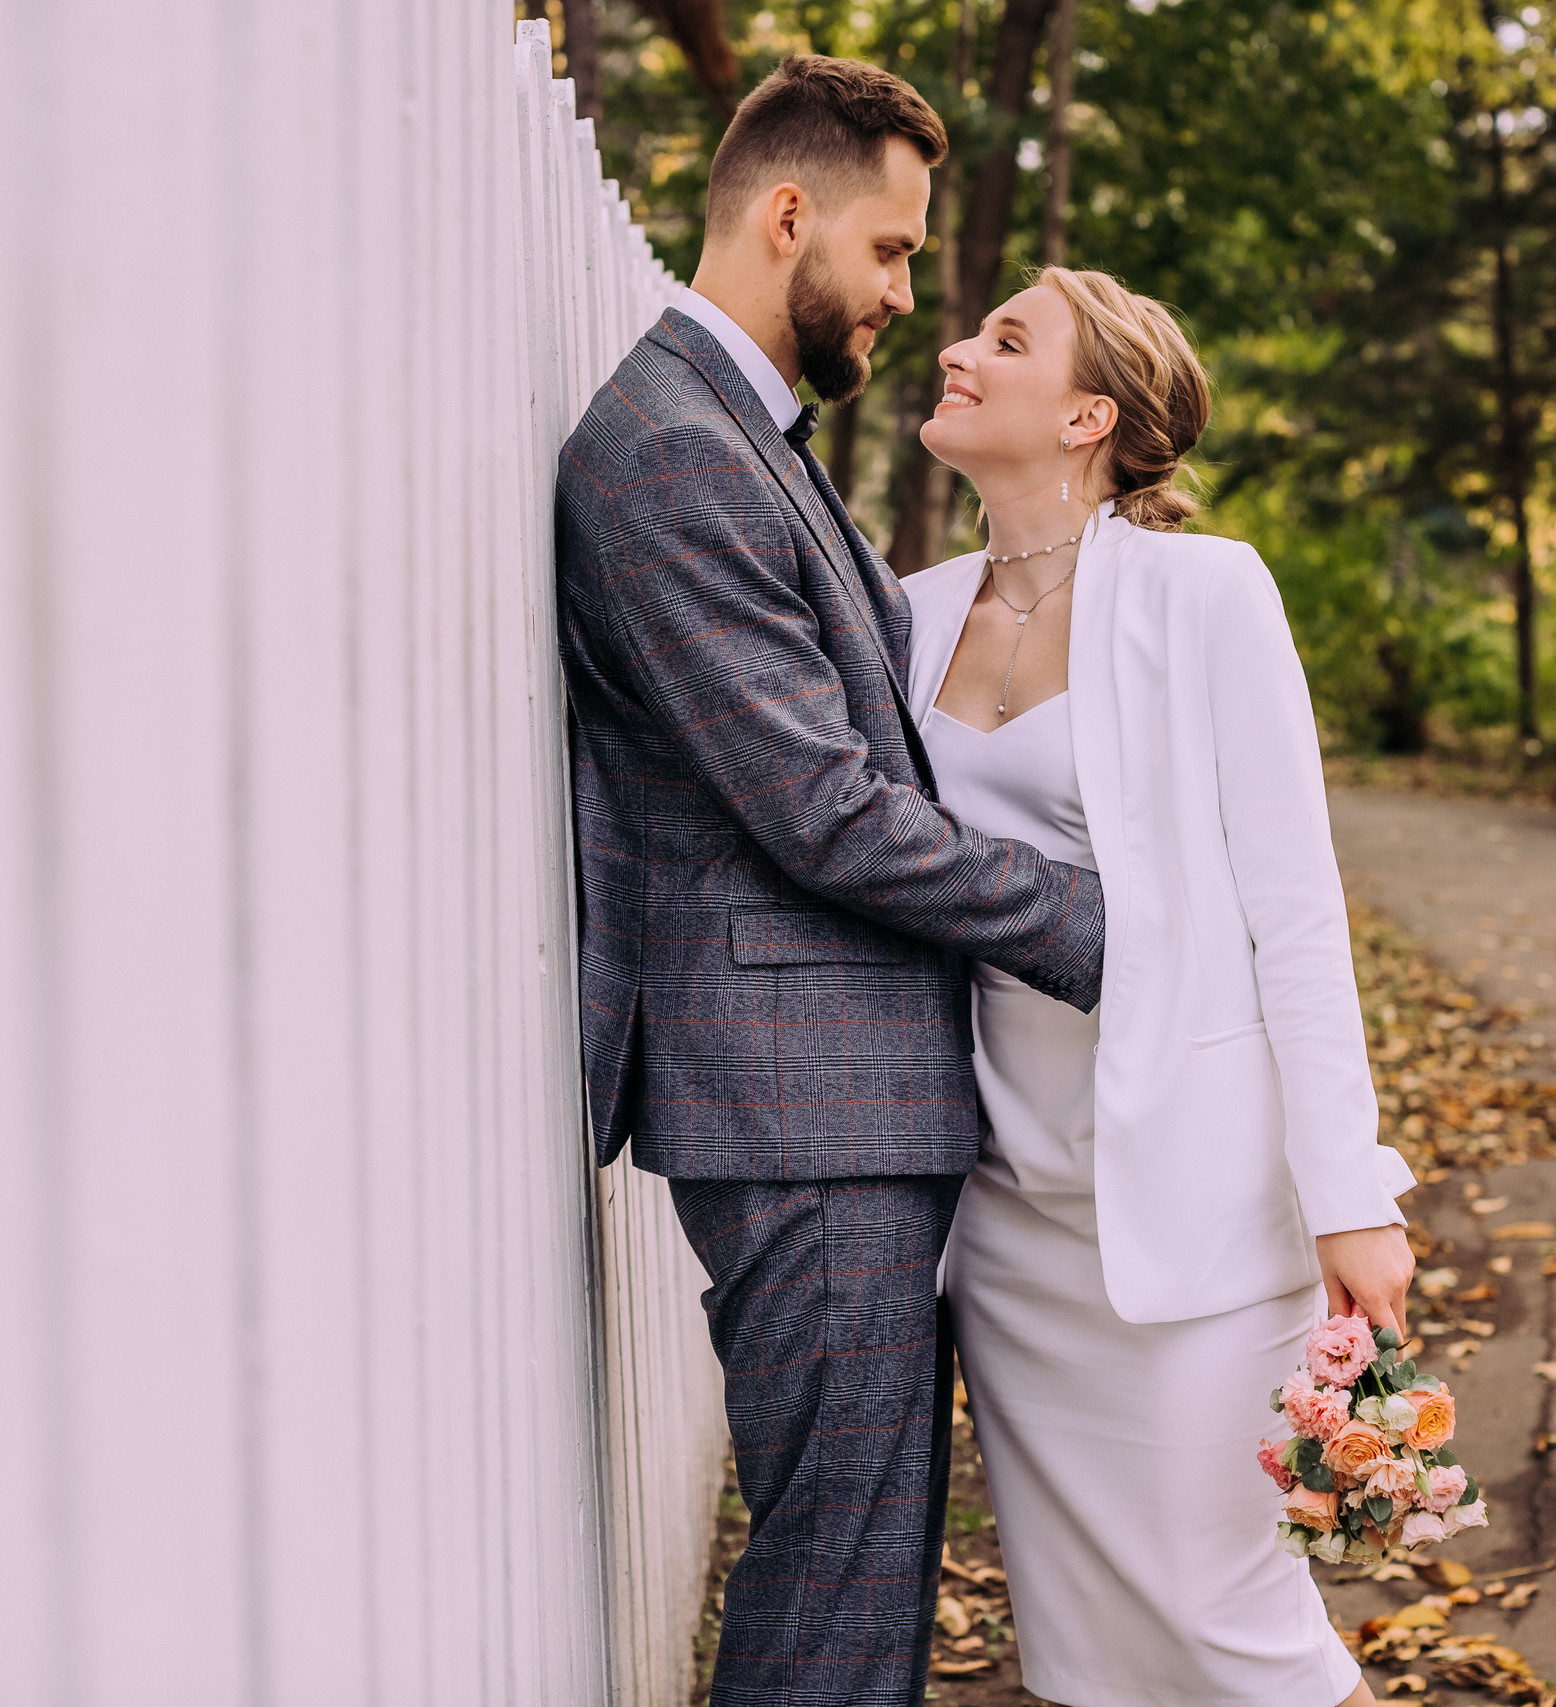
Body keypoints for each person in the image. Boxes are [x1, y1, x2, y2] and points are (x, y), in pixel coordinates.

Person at [554, 57, 1108, 1707]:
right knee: (837, 1581)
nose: (902, 297)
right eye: (888, 251)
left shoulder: (744, 435)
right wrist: (1094, 927)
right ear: (789, 216)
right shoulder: (665, 451)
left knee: (856, 1564)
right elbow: (826, 811)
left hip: (843, 1099)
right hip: (801, 1109)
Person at [905, 267, 1421, 1707]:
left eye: (1005, 340)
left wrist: (1350, 1190)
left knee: (1232, 1621)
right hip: (1010, 1221)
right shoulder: (906, 616)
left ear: (1090, 415)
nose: (954, 348)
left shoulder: (1206, 593)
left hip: (1197, 1215)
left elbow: (1294, 908)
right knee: (1087, 1649)